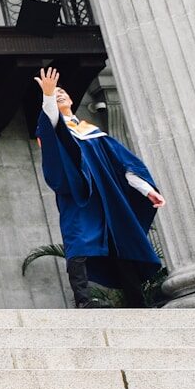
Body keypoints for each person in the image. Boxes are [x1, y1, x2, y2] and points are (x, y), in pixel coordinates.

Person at [33, 66, 166, 308]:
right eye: (56, 93)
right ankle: (83, 300)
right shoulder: (53, 128)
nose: (60, 94)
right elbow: (50, 124)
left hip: (107, 197)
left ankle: (136, 301)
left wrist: (148, 190)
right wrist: (48, 95)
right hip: (79, 195)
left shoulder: (93, 133)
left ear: (73, 100)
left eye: (63, 92)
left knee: (119, 243)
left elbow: (122, 164)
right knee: (79, 241)